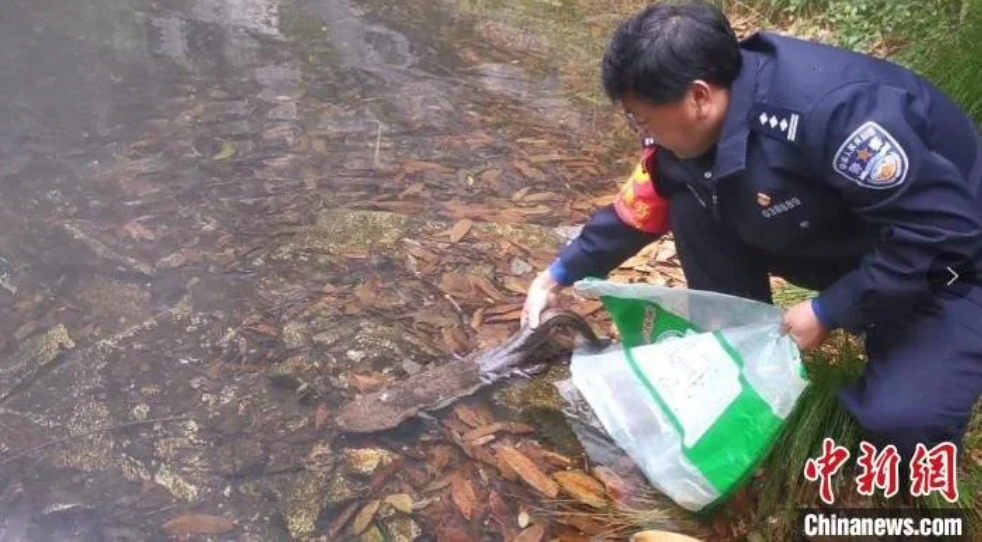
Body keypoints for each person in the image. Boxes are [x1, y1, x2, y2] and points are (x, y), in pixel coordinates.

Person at [522, 1, 982, 468]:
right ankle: (743, 353)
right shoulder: (698, 124)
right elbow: (642, 202)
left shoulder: (839, 117)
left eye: (641, 119)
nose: (642, 133)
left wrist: (830, 310)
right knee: (692, 199)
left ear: (699, 96)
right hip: (859, 240)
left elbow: (942, 228)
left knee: (899, 422)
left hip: (953, 265)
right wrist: (558, 274)